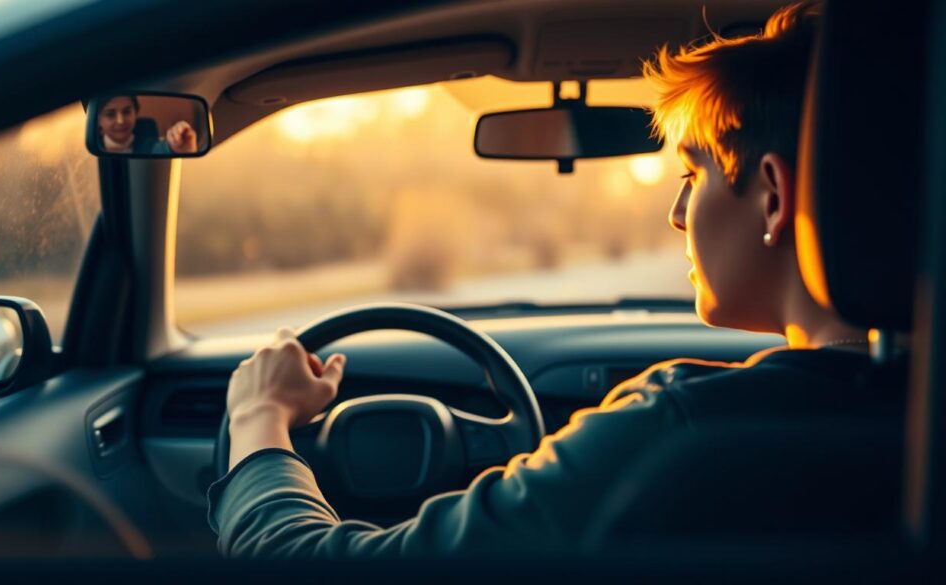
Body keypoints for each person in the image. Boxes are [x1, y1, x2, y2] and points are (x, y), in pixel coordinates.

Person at [208, 1, 900, 558]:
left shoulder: (676, 433)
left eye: (693, 175)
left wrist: (259, 417)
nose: (677, 213)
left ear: (774, 196)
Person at [96, 95, 198, 155]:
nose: (120, 121)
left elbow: (160, 148)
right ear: (98, 121)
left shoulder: (148, 144)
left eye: (127, 112)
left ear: (136, 113)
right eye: (110, 114)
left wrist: (176, 145)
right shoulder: (94, 150)